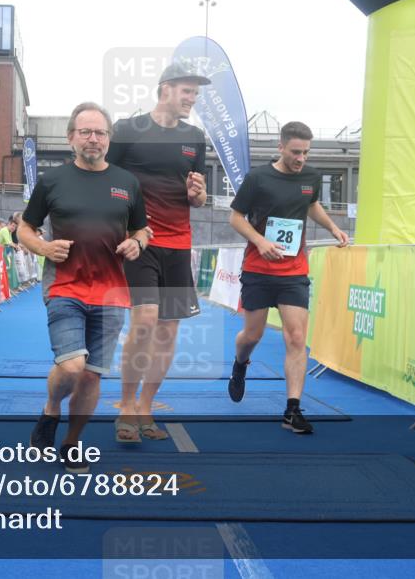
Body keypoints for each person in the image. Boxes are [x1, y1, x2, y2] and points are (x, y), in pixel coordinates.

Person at [19, 102, 148, 473]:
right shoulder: (52, 181)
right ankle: (50, 411)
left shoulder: (127, 183)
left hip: (112, 293)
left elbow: (142, 229)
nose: (94, 139)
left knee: (92, 375)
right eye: (86, 132)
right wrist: (43, 247)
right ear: (71, 138)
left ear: (109, 138)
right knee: (73, 366)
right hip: (65, 287)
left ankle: (72, 442)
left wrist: (137, 243)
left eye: (100, 133)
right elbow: (25, 228)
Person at [106, 62, 209, 443]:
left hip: (179, 245)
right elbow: (105, 177)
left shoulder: (195, 137)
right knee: (146, 319)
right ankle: (127, 406)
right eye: (187, 91)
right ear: (165, 88)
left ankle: (146, 407)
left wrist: (198, 196)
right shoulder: (129, 130)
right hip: (141, 241)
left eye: (196, 93)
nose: (192, 99)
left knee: (168, 330)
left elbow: (196, 196)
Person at [226, 122, 349, 434]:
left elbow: (310, 204)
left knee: (296, 338)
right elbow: (235, 217)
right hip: (258, 269)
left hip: (294, 271)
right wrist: (261, 241)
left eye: (306, 152)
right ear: (280, 148)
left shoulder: (309, 177)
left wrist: (333, 227)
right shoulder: (258, 178)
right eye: (295, 152)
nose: (301, 159)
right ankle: (240, 364)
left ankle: (292, 410)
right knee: (251, 337)